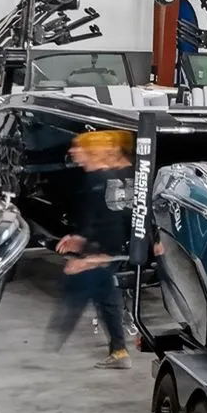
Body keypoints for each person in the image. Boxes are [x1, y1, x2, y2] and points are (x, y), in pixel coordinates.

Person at [51, 129, 137, 370]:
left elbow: (106, 221)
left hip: (111, 248)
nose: (72, 152)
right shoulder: (128, 173)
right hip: (124, 245)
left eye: (78, 148)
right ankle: (119, 350)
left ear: (93, 151)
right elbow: (117, 214)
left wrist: (92, 257)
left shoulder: (98, 178)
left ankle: (117, 349)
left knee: (93, 291)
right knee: (106, 297)